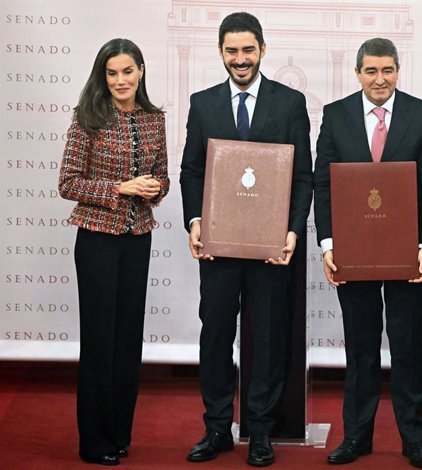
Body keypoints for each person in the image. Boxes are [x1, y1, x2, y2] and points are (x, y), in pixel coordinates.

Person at [179, 12, 312, 467]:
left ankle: (260, 431)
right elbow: (192, 170)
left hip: (271, 249)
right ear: (221, 52)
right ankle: (217, 427)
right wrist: (195, 220)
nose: (240, 59)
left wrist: (293, 231)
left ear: (262, 50)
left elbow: (303, 177)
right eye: (232, 51)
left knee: (268, 340)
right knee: (215, 336)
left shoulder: (290, 103)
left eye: (248, 49)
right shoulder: (203, 104)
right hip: (217, 247)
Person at [313, 38, 422, 469]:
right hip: (352, 254)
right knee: (361, 348)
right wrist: (328, 244)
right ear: (357, 74)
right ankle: (356, 438)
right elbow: (323, 185)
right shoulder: (334, 116)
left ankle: (415, 441)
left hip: (408, 255)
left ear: (397, 70)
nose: (380, 79)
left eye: (387, 70)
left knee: (408, 347)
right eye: (371, 71)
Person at [58, 38, 169, 466]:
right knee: (100, 341)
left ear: (140, 71)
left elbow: (161, 177)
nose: (120, 80)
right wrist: (120, 188)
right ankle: (94, 442)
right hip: (97, 241)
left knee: (128, 342)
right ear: (102, 76)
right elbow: (68, 184)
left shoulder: (154, 119)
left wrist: (155, 187)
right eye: (112, 73)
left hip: (138, 237)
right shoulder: (88, 118)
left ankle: (120, 435)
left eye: (127, 71)